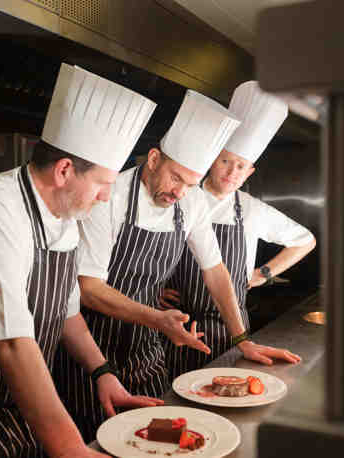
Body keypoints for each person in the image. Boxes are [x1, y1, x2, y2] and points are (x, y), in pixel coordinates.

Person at [0, 64, 163, 458]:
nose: (104, 198)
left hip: (21, 403)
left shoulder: (64, 215)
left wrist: (103, 372)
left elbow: (67, 314)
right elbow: (12, 342)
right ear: (65, 170)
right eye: (102, 184)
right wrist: (71, 450)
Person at [57, 89, 301, 442]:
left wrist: (241, 338)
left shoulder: (191, 200)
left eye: (190, 183)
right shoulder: (109, 198)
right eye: (176, 178)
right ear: (154, 159)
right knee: (100, 442)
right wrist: (157, 318)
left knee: (157, 439)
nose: (179, 193)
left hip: (148, 348)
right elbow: (89, 290)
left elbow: (216, 271)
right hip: (91, 350)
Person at [161, 81, 316, 379]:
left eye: (242, 166)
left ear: (250, 172)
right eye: (226, 161)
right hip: (177, 323)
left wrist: (263, 274)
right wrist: (154, 290)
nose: (233, 172)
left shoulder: (251, 209)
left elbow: (304, 240)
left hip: (231, 329)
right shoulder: (182, 196)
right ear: (211, 159)